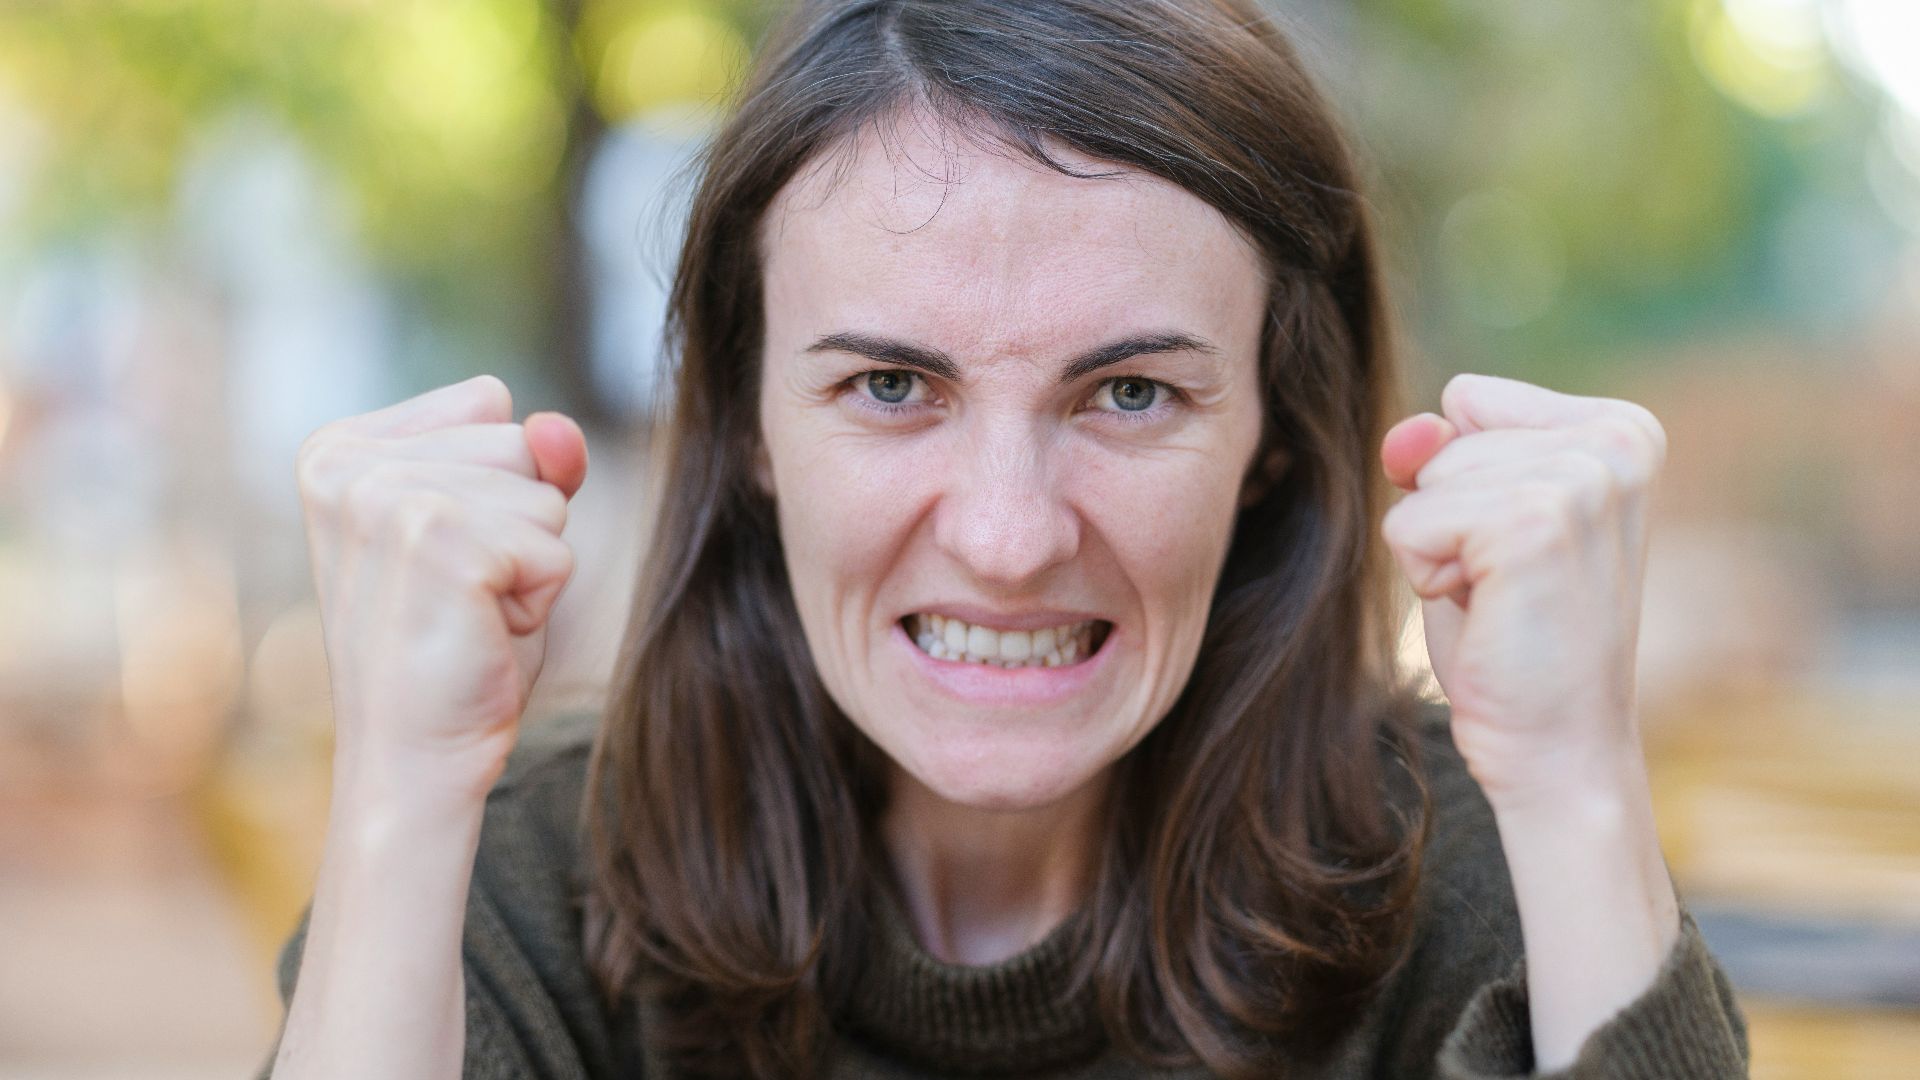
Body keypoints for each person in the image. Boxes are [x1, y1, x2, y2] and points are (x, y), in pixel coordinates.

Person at [258, 0, 1751, 1077]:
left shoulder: (1464, 873)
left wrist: (1573, 787)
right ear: (749, 428)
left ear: (1275, 438)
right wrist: (398, 788)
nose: (1009, 535)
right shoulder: (523, 873)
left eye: (1130, 391)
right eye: (893, 386)